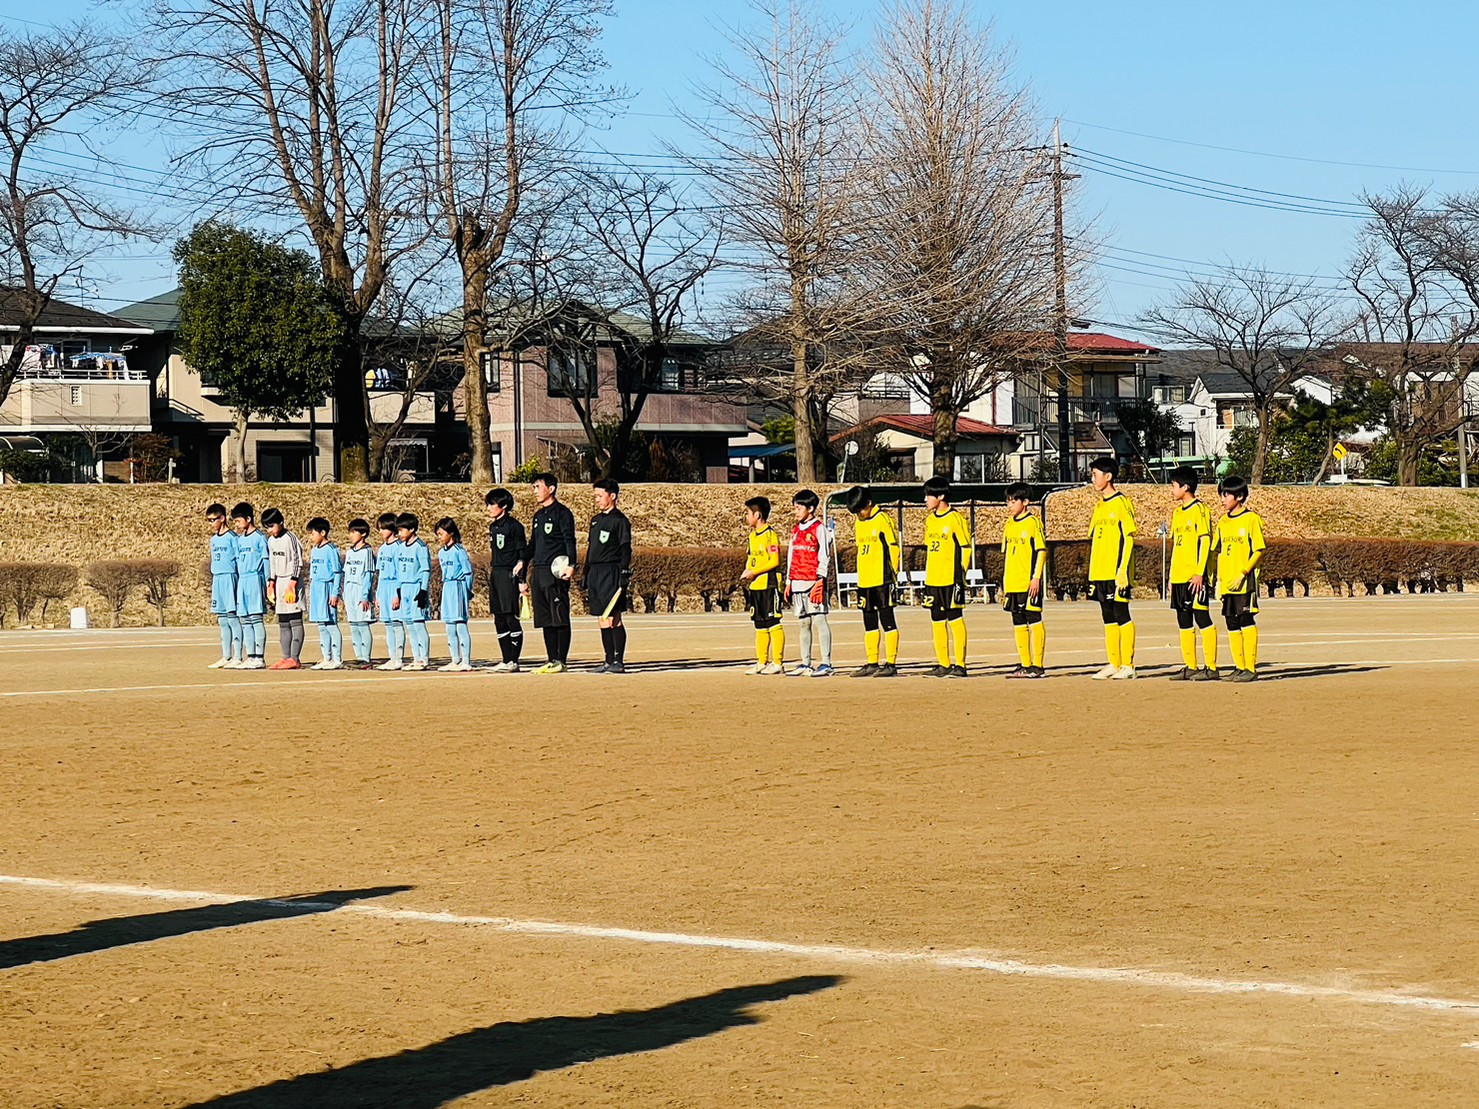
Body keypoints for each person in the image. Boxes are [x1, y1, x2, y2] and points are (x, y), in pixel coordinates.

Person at [521, 472, 578, 674]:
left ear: (551, 489)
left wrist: (572, 564)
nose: (535, 491)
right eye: (534, 487)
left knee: (559, 616)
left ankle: (561, 660)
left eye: (538, 487)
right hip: (539, 572)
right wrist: (522, 561)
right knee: (545, 618)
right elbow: (533, 544)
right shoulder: (538, 516)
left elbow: (570, 541)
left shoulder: (563, 513)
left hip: (556, 572)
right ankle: (551, 659)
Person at [1212, 474, 1267, 682]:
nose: (1223, 499)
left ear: (1240, 497)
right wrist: (1218, 581)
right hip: (1227, 582)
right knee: (1230, 622)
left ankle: (1250, 669)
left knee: (1246, 619)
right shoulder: (1223, 522)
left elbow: (1259, 549)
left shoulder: (1251, 519)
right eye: (1222, 495)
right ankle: (1239, 666)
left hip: (1244, 582)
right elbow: (1219, 552)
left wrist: (1243, 572)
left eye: (1227, 495)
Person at [1088, 457, 1137, 680]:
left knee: (1121, 614)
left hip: (1117, 572)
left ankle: (1128, 665)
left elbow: (1128, 538)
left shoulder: (1121, 504)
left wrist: (1122, 569)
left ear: (1108, 477)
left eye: (1095, 475)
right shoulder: (1099, 506)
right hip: (1100, 571)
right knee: (1107, 615)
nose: (1092, 479)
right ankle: (1113, 662)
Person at [1167, 465, 1217, 681]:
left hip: (1194, 577)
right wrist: (1170, 576)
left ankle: (1212, 667)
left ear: (1185, 487)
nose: (1171, 490)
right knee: (1183, 619)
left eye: (1173, 486)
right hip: (1178, 576)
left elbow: (1205, 541)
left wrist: (1200, 572)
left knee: (1202, 616)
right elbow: (1176, 546)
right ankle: (1191, 665)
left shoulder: (1200, 510)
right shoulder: (1177, 513)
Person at [844, 485, 901, 677]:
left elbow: (893, 548)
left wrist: (894, 574)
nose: (859, 514)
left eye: (860, 509)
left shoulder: (882, 519)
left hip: (882, 580)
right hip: (865, 581)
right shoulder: (859, 522)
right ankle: (872, 662)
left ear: (869, 503)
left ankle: (891, 664)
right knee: (869, 622)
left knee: (887, 621)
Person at [922, 475, 972, 677]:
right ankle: (944, 664)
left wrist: (961, 574)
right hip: (932, 579)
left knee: (955, 619)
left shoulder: (955, 519)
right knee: (936, 620)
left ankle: (960, 665)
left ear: (941, 496)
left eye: (928, 495)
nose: (925, 499)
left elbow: (966, 548)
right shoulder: (930, 520)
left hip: (951, 579)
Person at [584, 478, 633, 673]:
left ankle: (618, 661)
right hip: (596, 572)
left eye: (600, 495)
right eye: (595, 496)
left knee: (613, 617)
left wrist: (623, 571)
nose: (596, 499)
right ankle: (607, 660)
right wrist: (586, 571)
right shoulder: (595, 520)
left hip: (611, 571)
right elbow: (591, 548)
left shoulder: (620, 521)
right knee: (601, 618)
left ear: (612, 496)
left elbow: (625, 548)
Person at [785, 489, 835, 677]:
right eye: (795, 507)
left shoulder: (819, 528)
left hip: (813, 582)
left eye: (799, 507)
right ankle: (806, 663)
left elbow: (824, 555)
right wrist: (789, 581)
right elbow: (791, 555)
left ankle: (826, 663)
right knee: (803, 623)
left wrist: (820, 580)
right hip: (797, 582)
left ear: (811, 508)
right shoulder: (796, 530)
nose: (796, 511)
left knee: (819, 620)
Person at [1001, 482, 1047, 679]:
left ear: (1026, 502)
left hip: (1029, 582)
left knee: (1033, 620)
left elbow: (1041, 551)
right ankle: (1025, 663)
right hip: (1012, 582)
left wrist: (1036, 578)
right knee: (1017, 621)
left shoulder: (1033, 523)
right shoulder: (1009, 524)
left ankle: (1038, 665)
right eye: (1008, 501)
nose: (1009, 505)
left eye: (1013, 501)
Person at [484, 487, 528, 672]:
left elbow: (521, 554)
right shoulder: (493, 527)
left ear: (503, 505)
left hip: (510, 574)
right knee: (499, 617)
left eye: (491, 504)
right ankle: (505, 659)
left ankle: (514, 660)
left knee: (511, 617)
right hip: (496, 574)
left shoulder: (515, 527)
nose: (488, 508)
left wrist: (521, 580)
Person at [740, 495, 785, 674]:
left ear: (757, 515)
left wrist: (755, 572)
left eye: (748, 513)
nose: (746, 516)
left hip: (769, 585)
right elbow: (752, 558)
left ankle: (778, 662)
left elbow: (774, 561)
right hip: (755, 586)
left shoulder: (770, 535)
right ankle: (761, 661)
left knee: (773, 622)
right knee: (759, 624)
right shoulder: (752, 536)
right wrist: (747, 571)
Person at [263, 507, 305, 671]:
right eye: (266, 527)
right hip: (279, 581)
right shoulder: (271, 541)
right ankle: (285, 657)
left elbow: (297, 562)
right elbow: (272, 563)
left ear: (280, 523)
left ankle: (295, 658)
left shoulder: (290, 538)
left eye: (271, 526)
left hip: (291, 581)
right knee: (283, 622)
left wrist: (292, 584)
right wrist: (271, 583)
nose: (269, 530)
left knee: (295, 620)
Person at [230, 502, 269, 670]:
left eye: (239, 521)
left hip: (255, 578)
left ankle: (259, 657)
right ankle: (251, 655)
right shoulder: (239, 540)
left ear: (248, 519)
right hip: (243, 580)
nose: (237, 525)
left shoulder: (259, 538)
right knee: (244, 620)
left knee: (255, 618)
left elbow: (266, 562)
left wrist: (269, 582)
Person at [205, 502, 242, 670]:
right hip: (218, 578)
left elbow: (239, 561)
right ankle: (226, 655)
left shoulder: (233, 538)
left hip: (230, 577)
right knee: (222, 620)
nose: (211, 523)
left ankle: (238, 656)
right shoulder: (213, 540)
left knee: (232, 617)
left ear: (223, 518)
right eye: (209, 520)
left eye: (214, 519)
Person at [435, 517, 474, 672]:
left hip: (458, 586)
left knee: (460, 625)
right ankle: (454, 659)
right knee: (449, 626)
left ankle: (466, 661)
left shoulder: (459, 551)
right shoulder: (441, 553)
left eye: (441, 533)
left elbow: (468, 573)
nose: (439, 537)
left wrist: (467, 591)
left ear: (451, 533)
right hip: (447, 587)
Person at [395, 512, 433, 670]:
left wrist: (423, 590)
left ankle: (424, 658)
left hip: (416, 587)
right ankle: (416, 657)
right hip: (404, 588)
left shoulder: (420, 547)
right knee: (409, 623)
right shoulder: (401, 547)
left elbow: (425, 570)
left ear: (411, 529)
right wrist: (398, 590)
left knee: (418, 623)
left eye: (402, 530)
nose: (399, 533)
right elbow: (398, 570)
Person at [305, 517, 344, 670]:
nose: (311, 537)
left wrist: (335, 594)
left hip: (327, 588)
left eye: (313, 533)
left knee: (331, 624)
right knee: (321, 625)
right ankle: (326, 657)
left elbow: (337, 573)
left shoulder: (331, 550)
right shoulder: (315, 550)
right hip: (316, 588)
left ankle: (337, 658)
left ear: (323, 532)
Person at [341, 518, 376, 668]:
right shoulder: (349, 552)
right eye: (350, 532)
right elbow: (346, 574)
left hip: (361, 591)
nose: (351, 535)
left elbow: (368, 575)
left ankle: (366, 658)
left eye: (354, 532)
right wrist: (344, 594)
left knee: (363, 625)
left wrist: (364, 596)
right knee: (353, 626)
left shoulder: (367, 552)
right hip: (350, 591)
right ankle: (359, 656)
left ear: (363, 534)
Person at [374, 512, 404, 671]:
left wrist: (397, 594)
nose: (381, 531)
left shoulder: (398, 547)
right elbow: (380, 573)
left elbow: (400, 572)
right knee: (387, 624)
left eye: (383, 528)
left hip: (394, 585)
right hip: (384, 586)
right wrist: (378, 594)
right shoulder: (382, 549)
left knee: (397, 623)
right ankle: (392, 657)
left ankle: (399, 658)